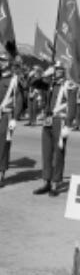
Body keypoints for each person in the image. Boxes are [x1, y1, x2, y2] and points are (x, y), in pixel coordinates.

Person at [32, 64, 71, 197]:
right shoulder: (50, 83)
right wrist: (44, 74)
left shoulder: (68, 85)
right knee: (46, 152)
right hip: (47, 120)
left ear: (64, 70)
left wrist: (68, 125)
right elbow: (33, 83)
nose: (58, 71)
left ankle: (56, 183)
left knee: (58, 154)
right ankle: (46, 181)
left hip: (60, 120)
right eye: (56, 68)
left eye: (60, 69)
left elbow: (72, 106)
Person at [0, 54, 18, 188]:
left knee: (3, 144)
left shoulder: (14, 79)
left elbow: (19, 99)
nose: (1, 63)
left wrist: (15, 117)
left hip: (6, 116)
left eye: (4, 60)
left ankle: (1, 172)